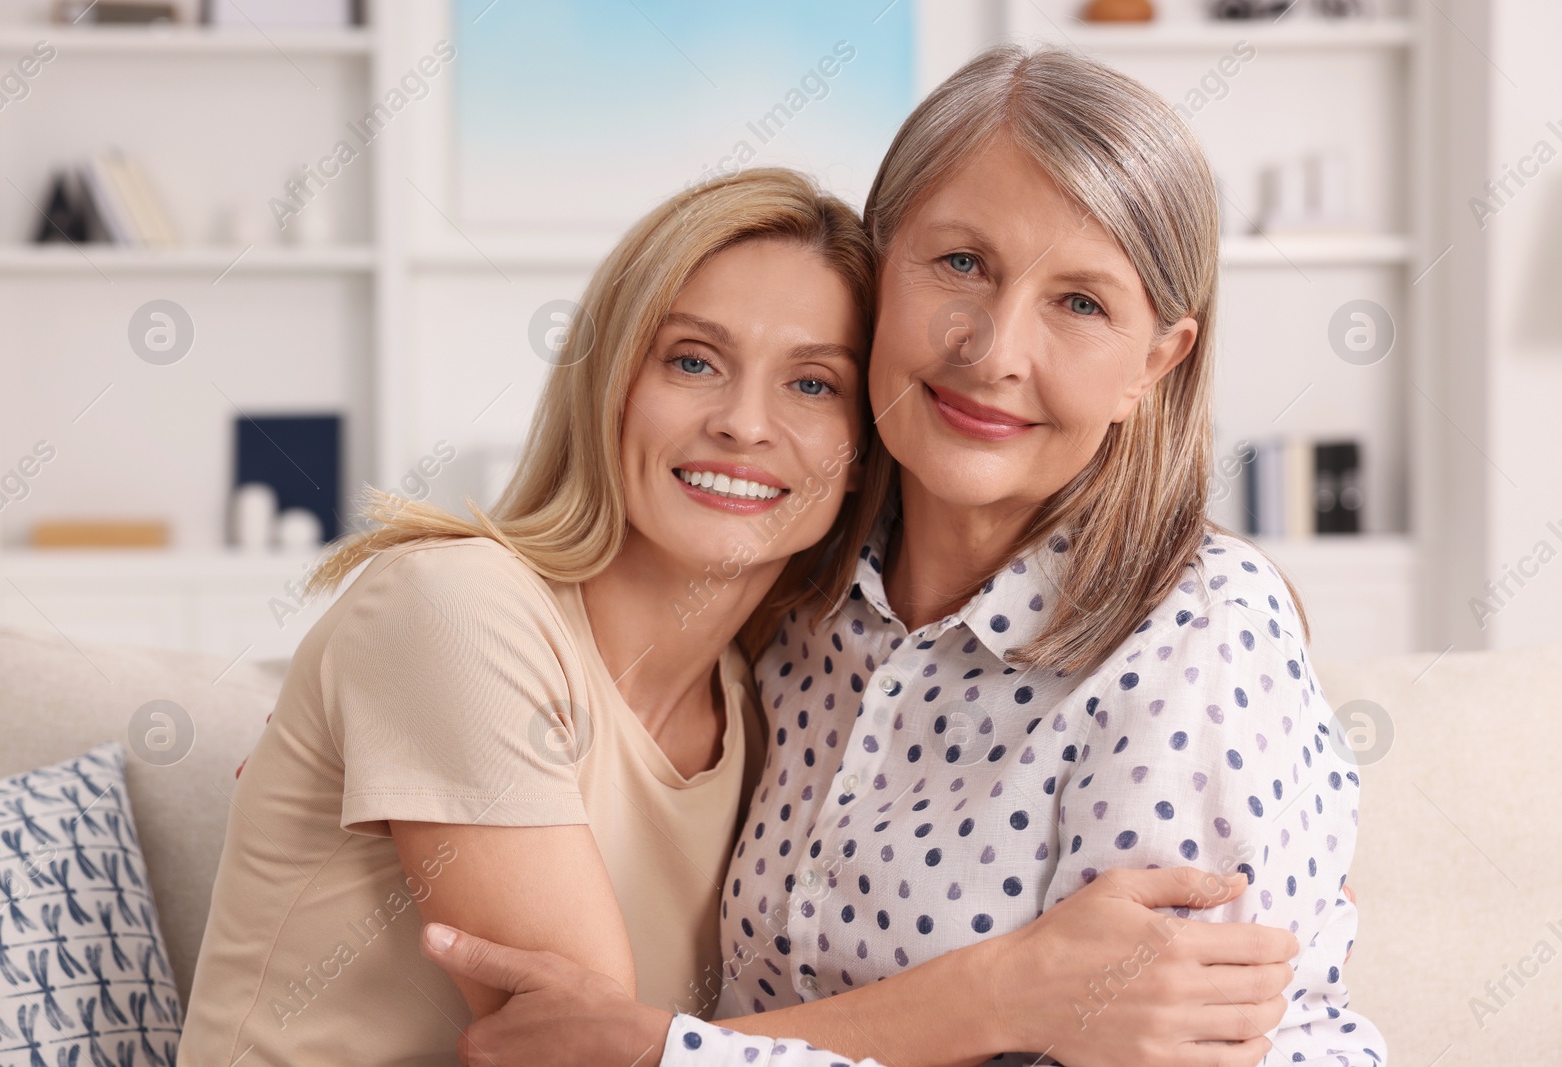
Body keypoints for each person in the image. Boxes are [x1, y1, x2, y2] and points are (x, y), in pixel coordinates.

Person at [418, 44, 1384, 1067]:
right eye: (961, 263)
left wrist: (664, 1051)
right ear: (877, 275)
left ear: (1154, 361)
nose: (995, 350)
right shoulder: (794, 602)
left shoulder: (1197, 632)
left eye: (1081, 302)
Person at [177, 168, 876, 1065]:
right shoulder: (455, 608)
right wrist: (995, 999)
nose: (744, 423)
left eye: (813, 384)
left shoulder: (761, 708)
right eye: (693, 361)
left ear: (862, 452)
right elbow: (583, 1052)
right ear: (611, 385)